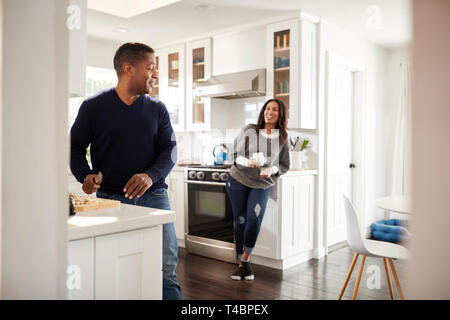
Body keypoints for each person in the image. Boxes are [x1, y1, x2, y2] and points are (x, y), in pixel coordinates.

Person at [70, 42, 181, 300]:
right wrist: (83, 175)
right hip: (111, 200)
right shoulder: (93, 107)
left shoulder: (157, 108)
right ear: (129, 68)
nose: (155, 74)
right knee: (118, 269)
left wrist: (150, 175)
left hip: (155, 198)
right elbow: (75, 147)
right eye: (150, 67)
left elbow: (170, 150)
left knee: (166, 269)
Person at [226, 99, 290, 281]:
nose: (270, 112)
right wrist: (247, 162)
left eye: (275, 109)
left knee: (254, 219)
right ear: (263, 111)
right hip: (238, 179)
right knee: (240, 220)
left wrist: (273, 170)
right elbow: (232, 154)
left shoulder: (283, 137)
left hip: (262, 183)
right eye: (268, 108)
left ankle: (246, 259)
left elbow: (285, 165)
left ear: (281, 114)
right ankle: (241, 264)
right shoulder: (250, 130)